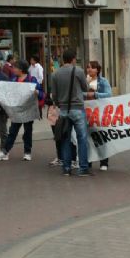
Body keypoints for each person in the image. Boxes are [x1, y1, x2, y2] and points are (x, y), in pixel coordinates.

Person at [50, 49, 90, 177]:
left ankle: (66, 168)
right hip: (77, 108)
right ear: (73, 59)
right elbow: (85, 88)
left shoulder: (55, 74)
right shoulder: (78, 71)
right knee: (82, 139)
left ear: (62, 59)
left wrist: (59, 103)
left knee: (65, 139)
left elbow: (54, 95)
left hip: (63, 110)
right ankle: (83, 168)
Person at [0, 60, 43, 162]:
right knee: (12, 132)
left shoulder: (31, 79)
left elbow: (41, 93)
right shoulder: (13, 80)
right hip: (16, 111)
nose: (13, 69)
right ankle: (4, 151)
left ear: (21, 69)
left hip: (28, 110)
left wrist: (37, 92)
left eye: (15, 67)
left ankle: (27, 152)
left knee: (27, 132)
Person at [86, 60, 111, 171]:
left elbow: (109, 94)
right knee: (88, 138)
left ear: (97, 70)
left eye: (91, 67)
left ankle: (104, 162)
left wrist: (95, 94)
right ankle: (89, 161)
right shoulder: (85, 81)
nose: (89, 69)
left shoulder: (103, 81)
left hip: (100, 113)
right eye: (88, 67)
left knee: (101, 137)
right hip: (87, 113)